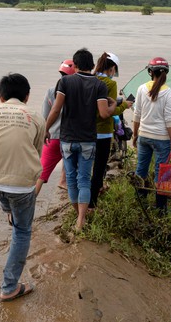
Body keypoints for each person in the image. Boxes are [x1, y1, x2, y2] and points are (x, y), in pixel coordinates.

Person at [0, 73, 45, 302]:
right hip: (20, 187)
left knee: (3, 190)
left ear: (1, 97)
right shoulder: (35, 117)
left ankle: (8, 210)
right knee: (22, 232)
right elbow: (36, 154)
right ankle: (9, 287)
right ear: (27, 96)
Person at [44, 48, 116, 231]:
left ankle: (77, 213)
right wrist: (114, 106)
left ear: (75, 66)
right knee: (84, 179)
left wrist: (46, 129)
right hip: (87, 139)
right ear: (92, 66)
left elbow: (56, 110)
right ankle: (81, 220)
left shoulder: (65, 82)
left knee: (71, 179)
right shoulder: (99, 85)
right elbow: (103, 113)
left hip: (67, 139)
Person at [132, 56, 171, 212]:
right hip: (161, 139)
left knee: (141, 169)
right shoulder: (169, 93)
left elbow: (136, 114)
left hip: (143, 136)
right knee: (161, 173)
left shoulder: (141, 89)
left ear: (150, 72)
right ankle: (160, 208)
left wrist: (135, 134)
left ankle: (140, 203)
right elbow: (169, 119)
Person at [90, 52, 132, 210]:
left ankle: (94, 191)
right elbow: (111, 110)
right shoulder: (110, 84)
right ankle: (92, 203)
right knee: (100, 166)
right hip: (103, 131)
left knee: (89, 167)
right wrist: (124, 106)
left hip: (88, 130)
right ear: (112, 68)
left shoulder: (92, 79)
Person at [35, 58, 75, 196]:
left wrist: (44, 132)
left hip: (52, 137)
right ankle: (63, 181)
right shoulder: (78, 93)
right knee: (70, 163)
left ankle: (28, 201)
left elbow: (44, 116)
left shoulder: (51, 91)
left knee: (41, 174)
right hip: (71, 137)